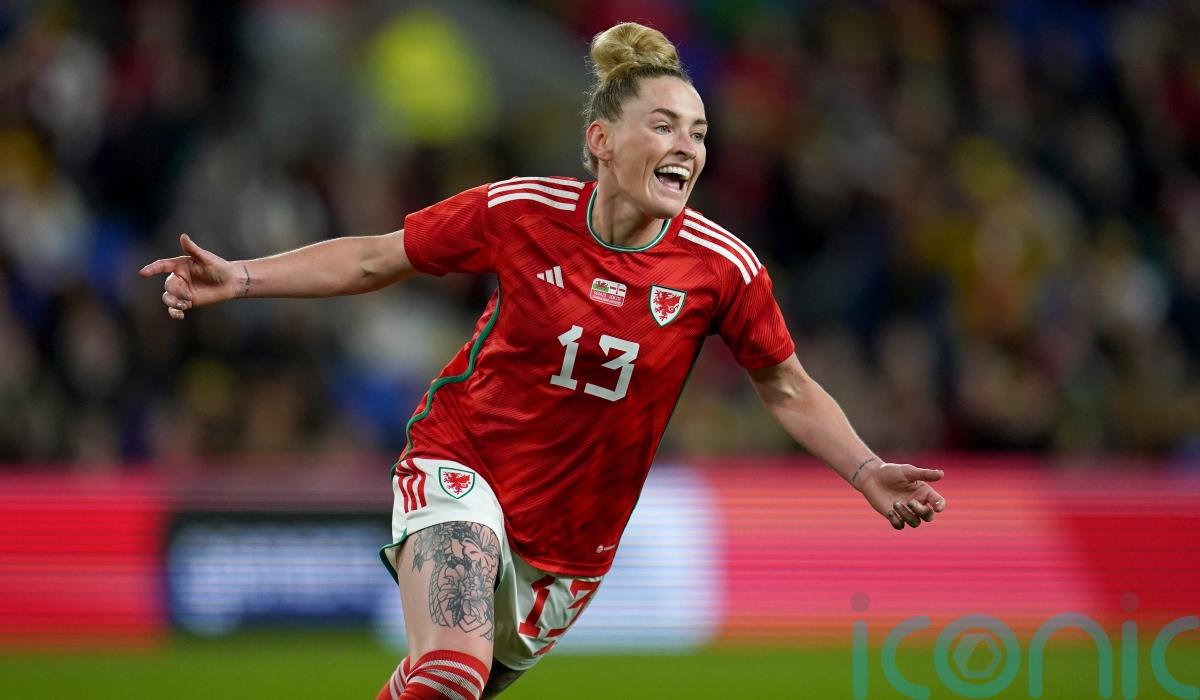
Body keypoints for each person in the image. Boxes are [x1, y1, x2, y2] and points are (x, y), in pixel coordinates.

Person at [140, 21, 947, 700]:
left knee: (438, 688)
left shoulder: (722, 268)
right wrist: (241, 277)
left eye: (698, 132)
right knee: (451, 669)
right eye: (665, 125)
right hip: (462, 464)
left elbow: (787, 387)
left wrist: (865, 469)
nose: (687, 147)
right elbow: (374, 259)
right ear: (602, 141)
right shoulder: (521, 211)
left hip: (569, 549)